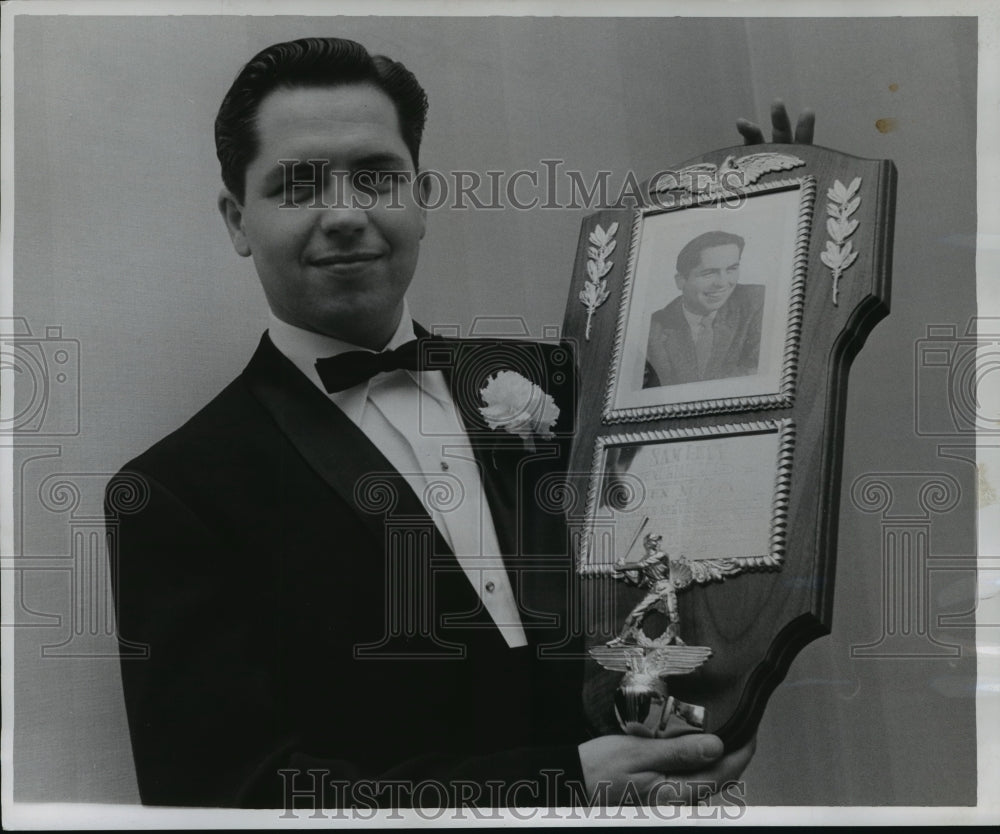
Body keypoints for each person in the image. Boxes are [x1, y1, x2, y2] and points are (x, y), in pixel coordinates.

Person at [105, 36, 808, 810]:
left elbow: (712, 485)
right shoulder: (174, 493)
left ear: (422, 197)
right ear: (238, 220)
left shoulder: (562, 382)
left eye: (377, 177)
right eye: (297, 185)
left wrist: (780, 233)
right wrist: (562, 787)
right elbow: (218, 794)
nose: (345, 214)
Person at [644, 231, 763, 388]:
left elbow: (758, 374)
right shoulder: (652, 330)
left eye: (731, 269)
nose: (722, 283)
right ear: (680, 281)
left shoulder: (757, 302)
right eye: (709, 273)